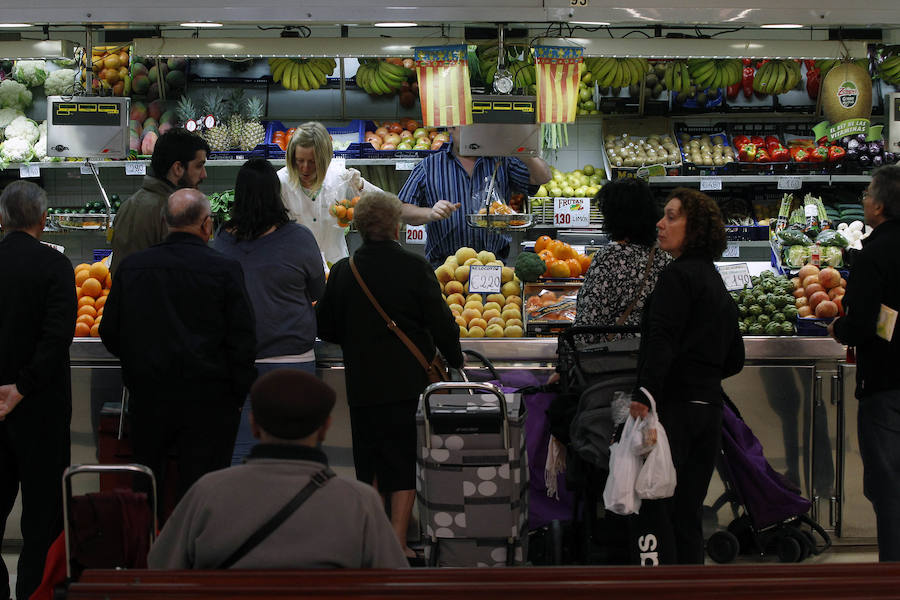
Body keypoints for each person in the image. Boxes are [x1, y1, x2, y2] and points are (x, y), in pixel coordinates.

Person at [316, 191, 463, 561]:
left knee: (369, 461)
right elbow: (443, 324)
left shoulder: (344, 271)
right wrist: (456, 360)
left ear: (358, 228)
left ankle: (372, 538)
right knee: (402, 460)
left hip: (363, 383)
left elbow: (326, 328)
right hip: (407, 382)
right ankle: (396, 542)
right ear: (396, 226)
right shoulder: (415, 268)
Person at [147, 369, 407, 569]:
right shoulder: (360, 503)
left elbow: (159, 567)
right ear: (325, 428)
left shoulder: (207, 493)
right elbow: (394, 580)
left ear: (254, 425)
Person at [99, 189, 257, 516]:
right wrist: (238, 393)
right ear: (207, 225)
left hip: (149, 399)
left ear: (165, 222)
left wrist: (138, 364)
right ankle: (195, 563)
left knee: (147, 490)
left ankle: (150, 556)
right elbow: (242, 340)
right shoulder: (225, 270)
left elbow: (109, 332)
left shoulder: (132, 268)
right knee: (202, 493)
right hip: (210, 402)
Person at [629, 187, 744, 565]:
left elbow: (660, 341)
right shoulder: (713, 279)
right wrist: (704, 376)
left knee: (657, 510)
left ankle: (659, 589)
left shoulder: (676, 277)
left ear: (693, 228)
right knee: (689, 512)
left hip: (673, 411)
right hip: (708, 412)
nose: (661, 224)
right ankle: (692, 584)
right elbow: (735, 357)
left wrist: (643, 395)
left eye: (672, 216)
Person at [212, 159, 327, 464]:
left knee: (240, 456)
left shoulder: (222, 242)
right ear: (276, 195)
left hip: (236, 363)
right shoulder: (299, 238)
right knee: (294, 456)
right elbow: (319, 293)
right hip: (292, 361)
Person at [0, 181, 77, 600]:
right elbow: (57, 337)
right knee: (42, 515)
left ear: (0, 219)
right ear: (44, 220)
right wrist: (23, 387)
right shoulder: (55, 267)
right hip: (42, 410)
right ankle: (34, 591)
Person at [829, 165, 900, 561]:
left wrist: (839, 327)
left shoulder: (873, 254)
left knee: (888, 485)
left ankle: (893, 572)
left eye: (869, 193)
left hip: (887, 383)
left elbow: (860, 325)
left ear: (881, 205)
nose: (864, 200)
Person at [399, 126, 551, 266]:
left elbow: (542, 177)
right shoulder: (429, 166)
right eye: (467, 126)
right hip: (445, 267)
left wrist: (519, 148)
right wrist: (430, 213)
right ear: (451, 128)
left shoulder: (502, 161)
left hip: (492, 265)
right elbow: (402, 209)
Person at [574, 178, 671, 338]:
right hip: (653, 352)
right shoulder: (664, 257)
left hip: (616, 356)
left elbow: (588, 323)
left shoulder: (609, 258)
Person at [277, 121, 381, 265]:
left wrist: (361, 185)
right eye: (299, 161)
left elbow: (385, 205)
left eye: (312, 162)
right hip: (295, 268)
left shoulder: (340, 177)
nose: (305, 168)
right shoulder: (280, 182)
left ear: (325, 159)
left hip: (335, 266)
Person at [110, 128, 210, 275]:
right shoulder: (171, 212)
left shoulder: (128, 204)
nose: (204, 175)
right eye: (199, 166)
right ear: (177, 168)